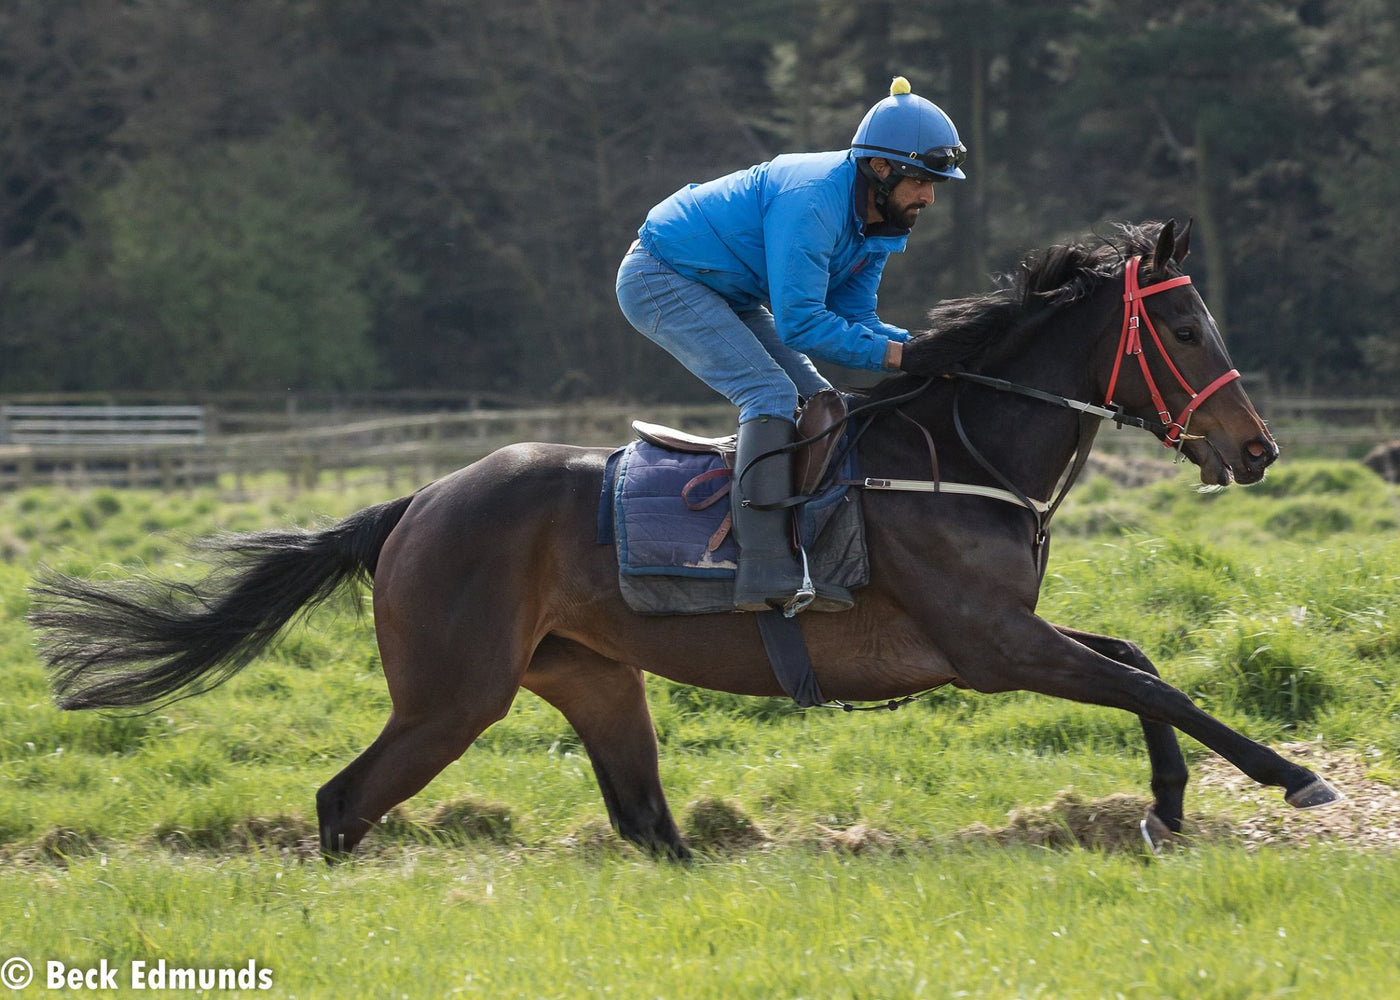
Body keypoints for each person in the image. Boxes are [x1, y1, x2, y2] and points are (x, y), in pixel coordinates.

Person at [616, 76, 966, 613]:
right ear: (880, 168)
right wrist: (903, 357)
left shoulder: (882, 218)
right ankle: (762, 570)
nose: (929, 196)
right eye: (921, 180)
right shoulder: (813, 200)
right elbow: (801, 325)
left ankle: (813, 550)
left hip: (726, 289)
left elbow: (855, 318)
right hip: (660, 275)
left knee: (821, 402)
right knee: (770, 394)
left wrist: (926, 348)